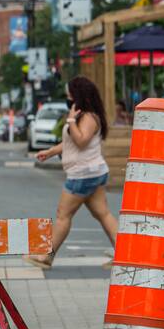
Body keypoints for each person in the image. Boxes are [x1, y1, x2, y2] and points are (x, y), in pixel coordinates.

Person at [27, 76, 117, 269]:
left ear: (79, 95)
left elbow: (81, 140)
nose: (68, 98)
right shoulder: (83, 116)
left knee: (63, 214)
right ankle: (125, 256)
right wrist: (50, 152)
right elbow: (70, 142)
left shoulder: (89, 118)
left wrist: (70, 120)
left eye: (70, 94)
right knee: (103, 213)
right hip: (92, 172)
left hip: (83, 174)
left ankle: (46, 257)